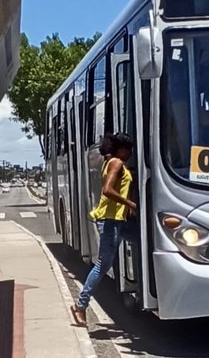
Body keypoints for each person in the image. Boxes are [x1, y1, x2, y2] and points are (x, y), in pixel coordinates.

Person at [70, 132, 136, 326]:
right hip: (110, 222)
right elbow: (107, 190)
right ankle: (80, 306)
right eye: (128, 149)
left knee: (147, 241)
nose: (130, 153)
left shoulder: (109, 162)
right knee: (102, 266)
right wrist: (130, 203)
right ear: (120, 149)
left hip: (118, 221)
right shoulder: (116, 163)